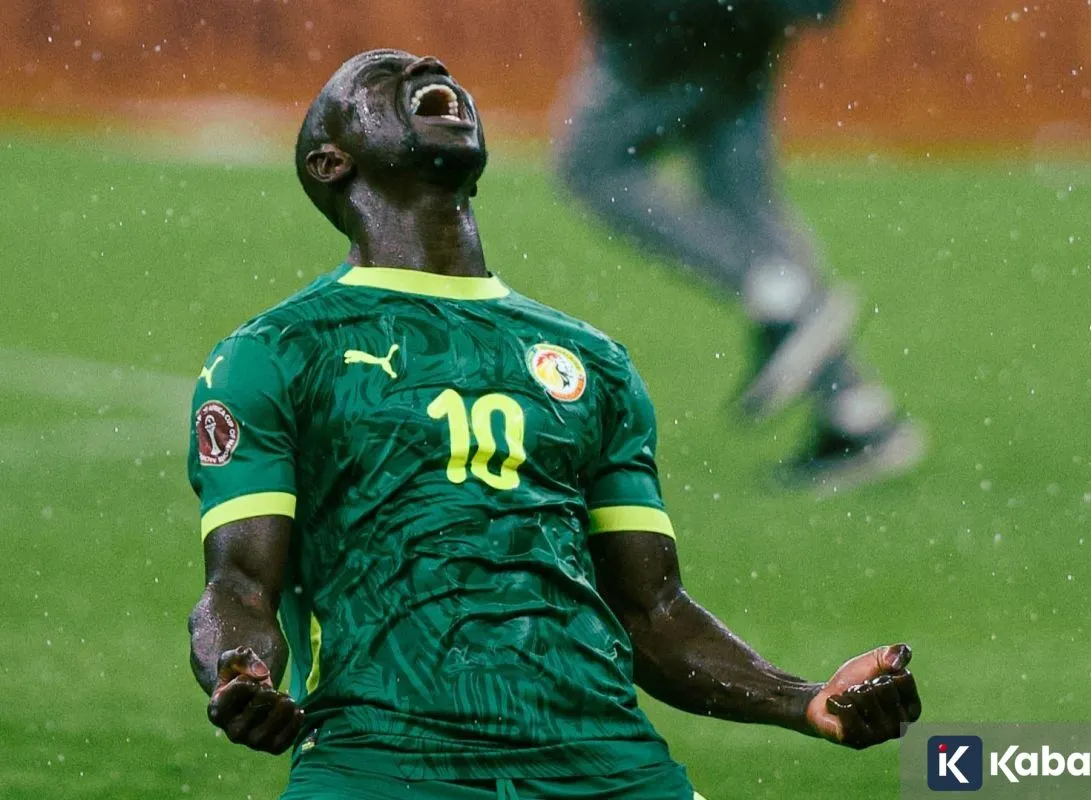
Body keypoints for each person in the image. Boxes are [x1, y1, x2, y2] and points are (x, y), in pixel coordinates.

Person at [186, 48, 922, 800]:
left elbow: (653, 612)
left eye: (429, 68)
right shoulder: (275, 355)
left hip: (608, 766)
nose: (429, 64)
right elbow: (238, 588)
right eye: (378, 78)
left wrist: (805, 701)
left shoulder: (592, 362)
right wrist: (241, 674)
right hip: (379, 766)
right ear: (331, 162)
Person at [556, 0, 924, 493]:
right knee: (741, 195)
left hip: (678, 22)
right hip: (750, 19)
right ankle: (856, 413)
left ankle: (781, 294)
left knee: (594, 166)